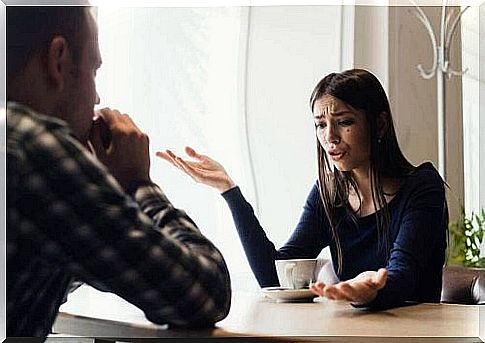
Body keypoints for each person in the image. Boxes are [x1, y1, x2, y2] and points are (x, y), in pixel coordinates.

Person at [6, 6, 231, 338]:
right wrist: (136, 183)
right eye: (94, 69)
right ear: (59, 59)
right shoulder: (32, 146)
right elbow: (205, 292)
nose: (97, 95)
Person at [157, 69, 448, 309]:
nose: (330, 137)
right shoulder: (328, 194)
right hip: (354, 335)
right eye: (321, 125)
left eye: (344, 122)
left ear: (380, 124)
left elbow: (403, 276)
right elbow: (277, 274)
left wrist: (370, 290)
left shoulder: (422, 187)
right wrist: (230, 192)